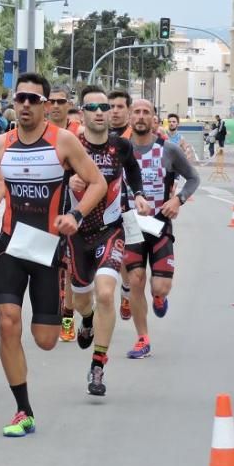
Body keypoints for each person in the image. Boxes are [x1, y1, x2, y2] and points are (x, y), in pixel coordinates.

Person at [0, 73, 107, 437]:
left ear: (46, 105)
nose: (25, 105)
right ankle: (23, 409)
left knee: (45, 339)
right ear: (13, 102)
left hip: (48, 249)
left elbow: (97, 182)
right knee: (8, 323)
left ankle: (85, 317)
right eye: (20, 98)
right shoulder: (1, 144)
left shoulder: (63, 142)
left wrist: (75, 215)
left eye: (33, 99)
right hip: (12, 244)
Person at [66, 86, 149, 396]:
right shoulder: (70, 144)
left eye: (105, 107)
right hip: (76, 233)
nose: (100, 112)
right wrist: (69, 180)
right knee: (82, 300)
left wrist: (138, 195)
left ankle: (98, 365)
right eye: (93, 107)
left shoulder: (121, 146)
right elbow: (56, 177)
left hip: (110, 229)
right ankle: (85, 319)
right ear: (83, 113)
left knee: (105, 294)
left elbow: (133, 171)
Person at [122, 99, 200, 359]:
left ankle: (158, 297)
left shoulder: (168, 150)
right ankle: (142, 338)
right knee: (135, 281)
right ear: (130, 117)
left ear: (155, 118)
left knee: (160, 286)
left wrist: (178, 200)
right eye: (137, 112)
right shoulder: (120, 150)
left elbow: (194, 178)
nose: (141, 116)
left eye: (147, 112)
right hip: (131, 225)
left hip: (159, 225)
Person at [46, 84, 80, 343]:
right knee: (49, 266)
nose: (56, 106)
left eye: (61, 101)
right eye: (52, 101)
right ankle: (50, 313)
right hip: (43, 208)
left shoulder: (79, 132)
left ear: (69, 104)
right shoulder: (38, 130)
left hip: (71, 208)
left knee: (68, 268)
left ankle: (67, 316)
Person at [107, 90, 134, 321]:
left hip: (130, 206)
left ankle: (126, 290)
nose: (114, 111)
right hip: (101, 205)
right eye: (111, 106)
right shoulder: (99, 134)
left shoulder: (136, 136)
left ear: (128, 110)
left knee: (125, 255)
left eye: (119, 106)